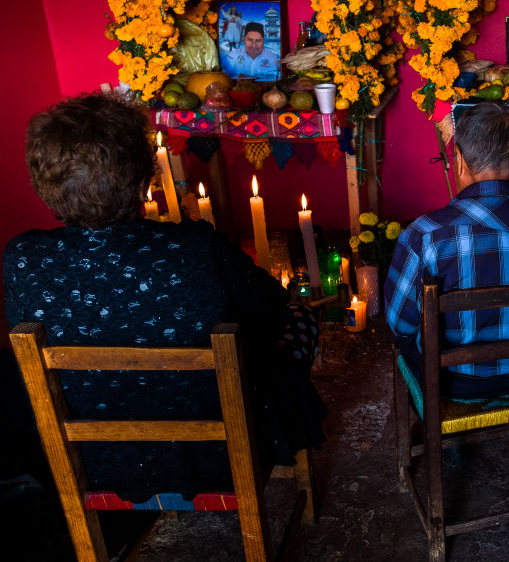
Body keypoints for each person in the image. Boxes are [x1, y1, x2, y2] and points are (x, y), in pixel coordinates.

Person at [2, 93, 326, 501]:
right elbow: (270, 308)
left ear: (43, 185)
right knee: (294, 319)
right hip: (218, 454)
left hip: (91, 458)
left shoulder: (22, 257)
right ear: (143, 180)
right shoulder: (192, 246)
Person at [384, 101, 509, 399]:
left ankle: (441, 436)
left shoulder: (424, 236)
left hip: (453, 383)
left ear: (460, 161)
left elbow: (400, 323)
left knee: (405, 344)